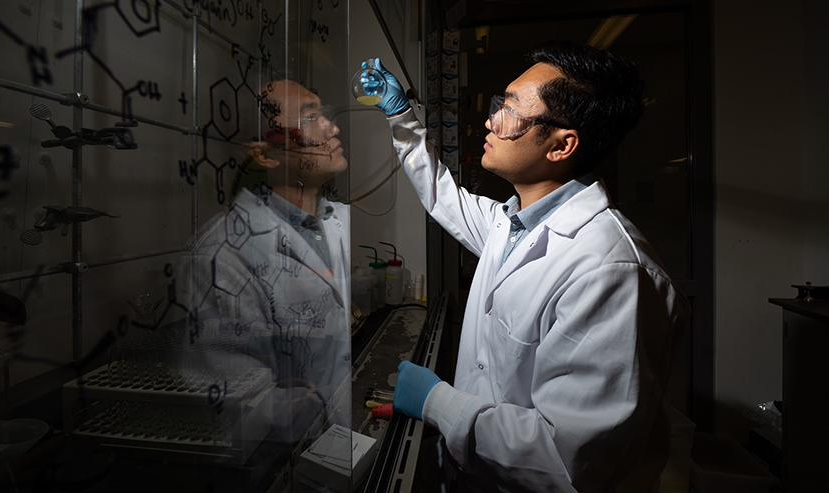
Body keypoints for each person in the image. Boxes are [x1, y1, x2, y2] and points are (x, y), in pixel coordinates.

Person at [367, 40, 690, 492]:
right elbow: (442, 195)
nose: (490, 120)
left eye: (510, 110)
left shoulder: (612, 272)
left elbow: (566, 459)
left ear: (561, 145)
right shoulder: (513, 224)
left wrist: (437, 402)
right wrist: (400, 115)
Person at [178, 79, 351, 451]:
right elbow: (239, 399)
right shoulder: (221, 254)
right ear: (265, 155)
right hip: (290, 459)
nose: (333, 128)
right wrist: (306, 413)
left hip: (341, 434)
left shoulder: (333, 222)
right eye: (311, 117)